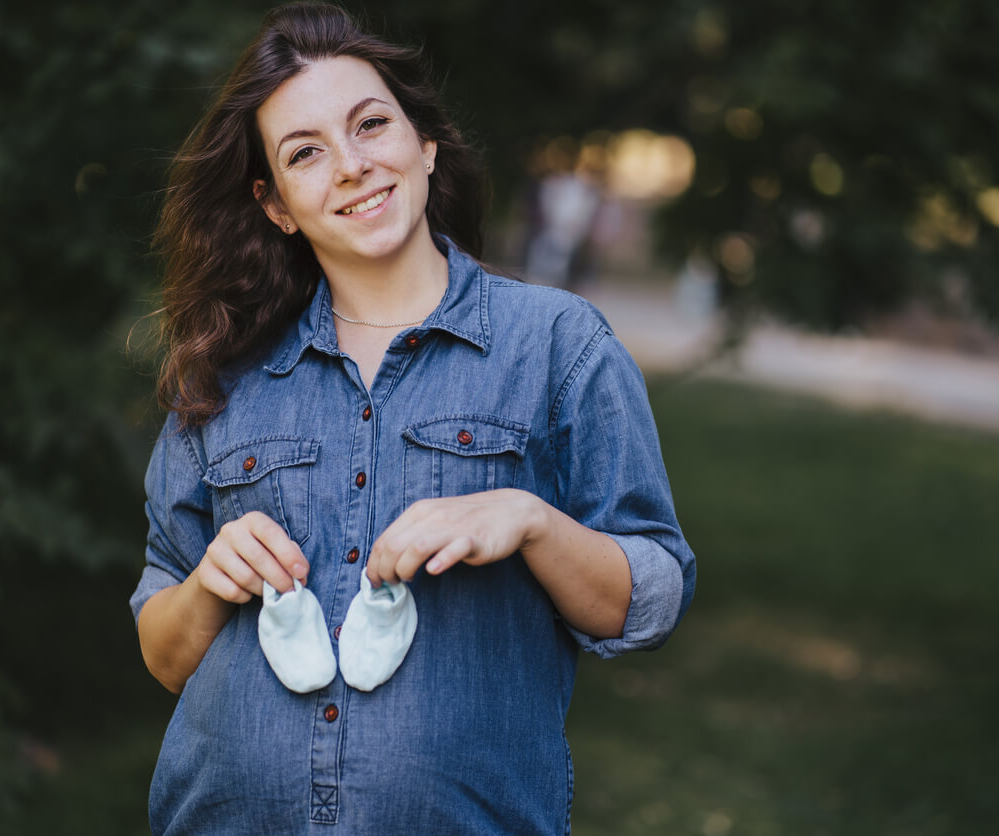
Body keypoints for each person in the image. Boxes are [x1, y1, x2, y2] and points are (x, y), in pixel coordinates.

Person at [130, 4, 696, 833]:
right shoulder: (225, 378)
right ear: (277, 203)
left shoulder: (555, 344)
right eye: (305, 153)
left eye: (370, 125)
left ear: (424, 143)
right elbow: (166, 654)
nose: (352, 166)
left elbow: (652, 595)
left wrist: (530, 520)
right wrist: (213, 581)